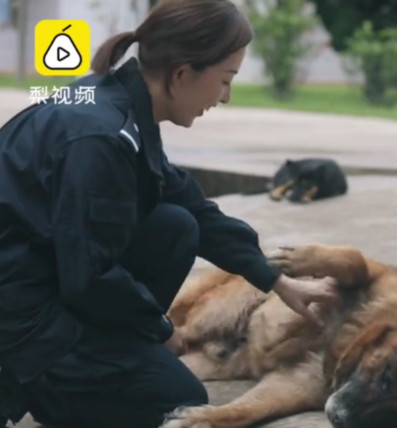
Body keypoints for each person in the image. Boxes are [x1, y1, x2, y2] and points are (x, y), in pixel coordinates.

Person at [0, 1, 337, 427]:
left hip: (44, 278)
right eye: (225, 80)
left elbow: (192, 204)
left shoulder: (123, 111)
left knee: (176, 225)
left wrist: (275, 279)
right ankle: (22, 380)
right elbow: (89, 275)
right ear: (182, 75)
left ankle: (103, 356)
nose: (226, 97)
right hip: (19, 312)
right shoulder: (99, 138)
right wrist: (160, 328)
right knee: (175, 400)